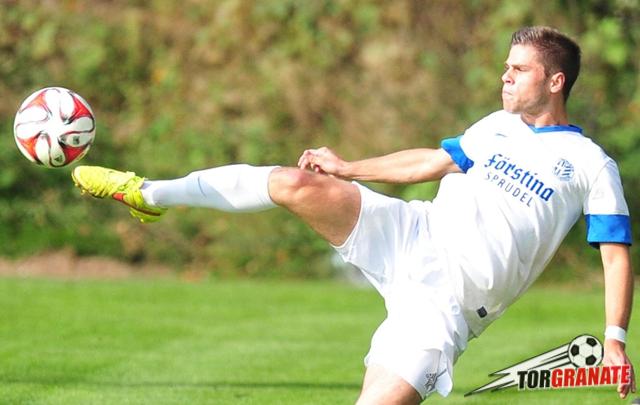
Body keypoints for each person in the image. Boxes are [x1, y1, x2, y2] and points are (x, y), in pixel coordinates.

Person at [71, 26, 635, 403]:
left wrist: (614, 339)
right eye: (505, 67)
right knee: (294, 182)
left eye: (519, 69)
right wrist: (347, 168)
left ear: (555, 81)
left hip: (446, 305)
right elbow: (431, 162)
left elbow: (614, 255)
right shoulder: (495, 126)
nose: (505, 76)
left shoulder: (590, 164)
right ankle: (147, 192)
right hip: (411, 233)